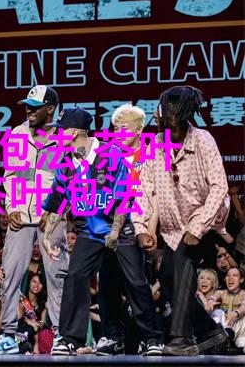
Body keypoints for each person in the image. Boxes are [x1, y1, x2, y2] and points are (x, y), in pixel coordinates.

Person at [40, 108, 163, 356]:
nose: (55, 135)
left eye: (60, 130)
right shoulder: (66, 164)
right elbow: (57, 203)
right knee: (75, 275)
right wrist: (46, 237)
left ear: (74, 132)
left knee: (135, 281)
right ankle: (69, 338)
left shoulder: (111, 155)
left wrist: (114, 234)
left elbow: (123, 199)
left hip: (122, 229)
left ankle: (152, 338)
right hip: (90, 230)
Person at [133, 85, 230, 356]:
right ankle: (211, 332)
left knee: (183, 265)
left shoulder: (202, 141)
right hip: (176, 226)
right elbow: (144, 189)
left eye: (161, 109)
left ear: (174, 116)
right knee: (166, 276)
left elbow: (219, 187)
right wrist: (141, 228)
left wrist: (198, 228)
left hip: (207, 219)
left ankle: (182, 338)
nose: (155, 114)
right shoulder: (156, 145)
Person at [0, 85, 67, 355]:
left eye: (35, 106)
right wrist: (11, 208)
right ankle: (8, 334)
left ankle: (60, 336)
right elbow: (11, 176)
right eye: (27, 106)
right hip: (21, 218)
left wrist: (54, 212)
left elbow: (70, 181)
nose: (29, 110)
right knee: (10, 275)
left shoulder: (64, 138)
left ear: (50, 109)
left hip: (50, 220)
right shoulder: (17, 135)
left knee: (57, 276)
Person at [92, 103, 163, 356]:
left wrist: (150, 228)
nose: (119, 133)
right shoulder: (106, 155)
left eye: (125, 128)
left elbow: (158, 195)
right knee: (107, 281)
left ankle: (151, 338)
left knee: (136, 281)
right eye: (115, 128)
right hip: (108, 225)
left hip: (136, 224)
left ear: (139, 129)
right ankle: (112, 337)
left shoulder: (152, 155)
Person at [206, 267, 245, 352]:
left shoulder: (243, 294)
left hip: (237, 328)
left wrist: (236, 313)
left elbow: (244, 306)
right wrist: (211, 301)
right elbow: (214, 296)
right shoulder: (221, 293)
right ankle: (221, 341)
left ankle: (240, 345)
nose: (230, 278)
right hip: (223, 328)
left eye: (234, 275)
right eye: (228, 276)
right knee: (217, 312)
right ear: (225, 279)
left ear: (241, 280)